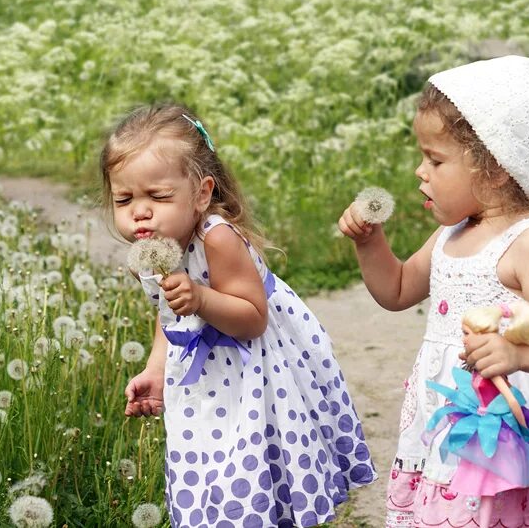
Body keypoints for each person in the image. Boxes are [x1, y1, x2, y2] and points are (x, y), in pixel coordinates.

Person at [338, 56, 529, 527]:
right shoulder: (451, 233)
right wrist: (370, 244)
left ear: (495, 167)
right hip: (443, 427)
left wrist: (520, 356)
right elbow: (395, 290)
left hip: (502, 435)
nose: (420, 171)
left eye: (435, 159)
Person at [101, 103, 376, 528]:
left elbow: (252, 318)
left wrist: (201, 298)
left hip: (255, 374)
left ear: (202, 192)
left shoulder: (218, 238)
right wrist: (156, 368)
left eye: (157, 196)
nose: (140, 211)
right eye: (124, 199)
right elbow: (167, 315)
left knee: (251, 468)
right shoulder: (151, 252)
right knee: (208, 470)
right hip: (202, 383)